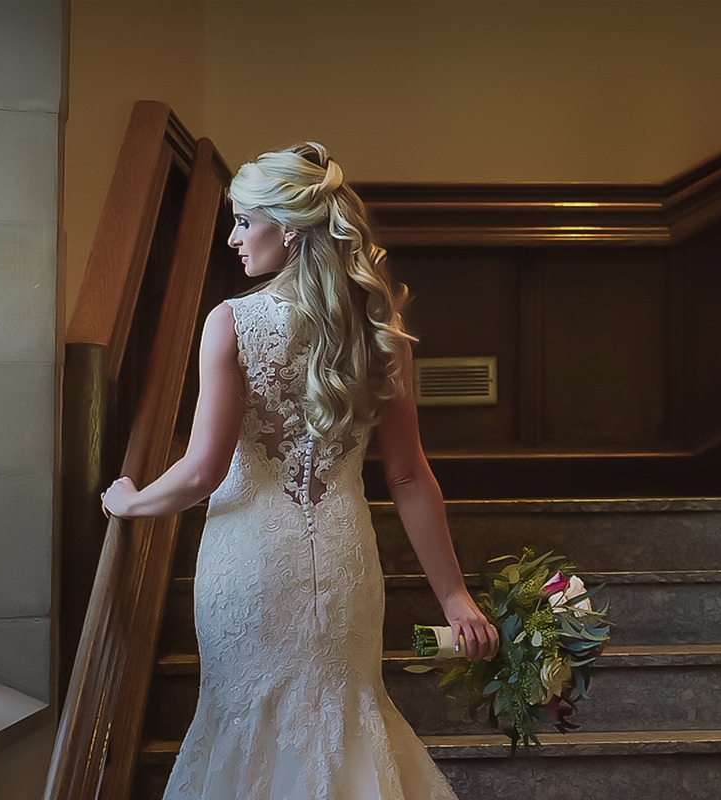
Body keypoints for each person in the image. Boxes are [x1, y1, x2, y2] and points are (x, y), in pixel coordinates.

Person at [101, 142, 497, 799]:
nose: (232, 239)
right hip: (342, 560)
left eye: (243, 222)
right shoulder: (379, 327)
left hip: (248, 564)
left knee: (243, 727)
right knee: (345, 719)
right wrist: (453, 597)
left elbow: (201, 473)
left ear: (286, 228)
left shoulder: (231, 323)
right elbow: (407, 476)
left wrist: (130, 501)